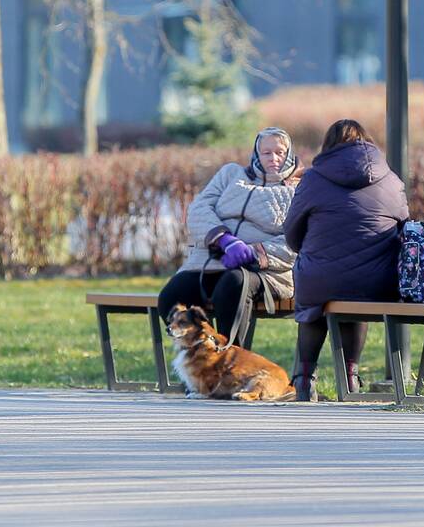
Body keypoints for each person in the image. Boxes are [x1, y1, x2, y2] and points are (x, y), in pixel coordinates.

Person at [283, 119, 409, 401]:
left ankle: (304, 379)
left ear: (328, 146)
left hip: (320, 279)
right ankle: (350, 377)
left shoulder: (313, 179)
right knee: (356, 285)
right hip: (378, 281)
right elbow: (404, 227)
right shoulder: (391, 179)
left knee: (316, 298)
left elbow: (291, 235)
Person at [158, 127, 302, 348]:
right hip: (214, 260)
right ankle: (201, 359)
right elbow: (199, 209)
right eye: (266, 153)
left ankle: (231, 362)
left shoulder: (297, 189)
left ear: (289, 153)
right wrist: (225, 240)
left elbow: (298, 240)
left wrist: (254, 252)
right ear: (257, 153)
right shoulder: (231, 174)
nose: (273, 158)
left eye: (280, 152)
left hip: (266, 272)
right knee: (172, 296)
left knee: (233, 283)